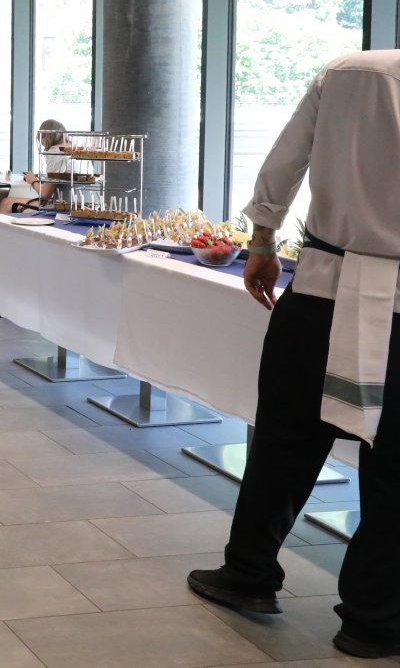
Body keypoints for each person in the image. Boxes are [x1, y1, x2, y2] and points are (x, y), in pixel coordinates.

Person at [185, 51, 400, 659]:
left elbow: (284, 162)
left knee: (284, 441)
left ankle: (248, 573)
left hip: (324, 289)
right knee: (395, 470)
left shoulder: (351, 72)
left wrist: (261, 242)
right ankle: (375, 619)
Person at [0, 119, 72, 214]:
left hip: (61, 206)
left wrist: (32, 180)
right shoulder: (73, 149)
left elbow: (45, 194)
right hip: (76, 205)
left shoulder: (54, 152)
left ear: (45, 136)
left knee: (5, 203)